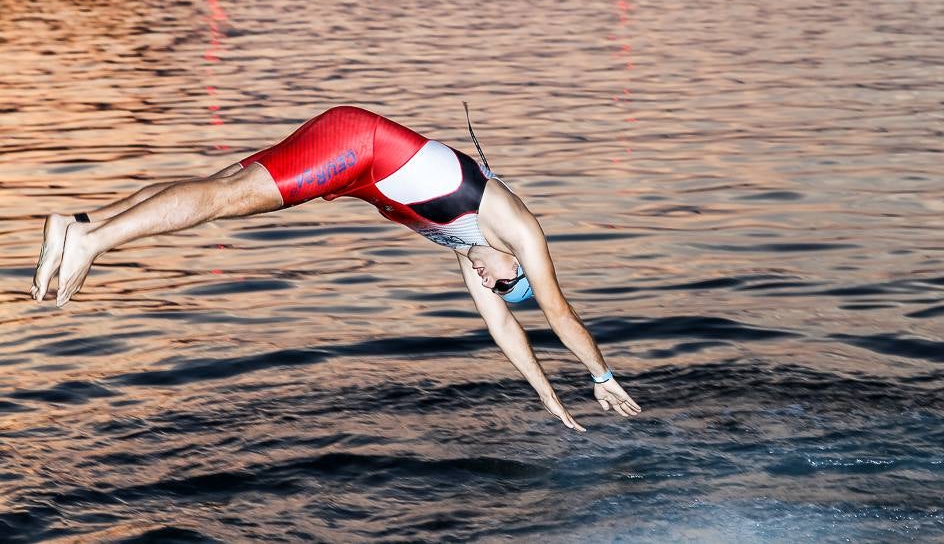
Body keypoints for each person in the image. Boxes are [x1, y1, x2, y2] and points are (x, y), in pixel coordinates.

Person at [31, 106, 641, 431]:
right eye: (504, 282)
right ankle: (98, 243)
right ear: (517, 263)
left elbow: (506, 329)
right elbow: (554, 313)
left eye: (493, 287)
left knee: (218, 187)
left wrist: (548, 396)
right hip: (356, 146)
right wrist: (600, 376)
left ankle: (79, 225)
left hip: (350, 163)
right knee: (225, 201)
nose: (489, 283)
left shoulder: (469, 254)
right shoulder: (516, 229)